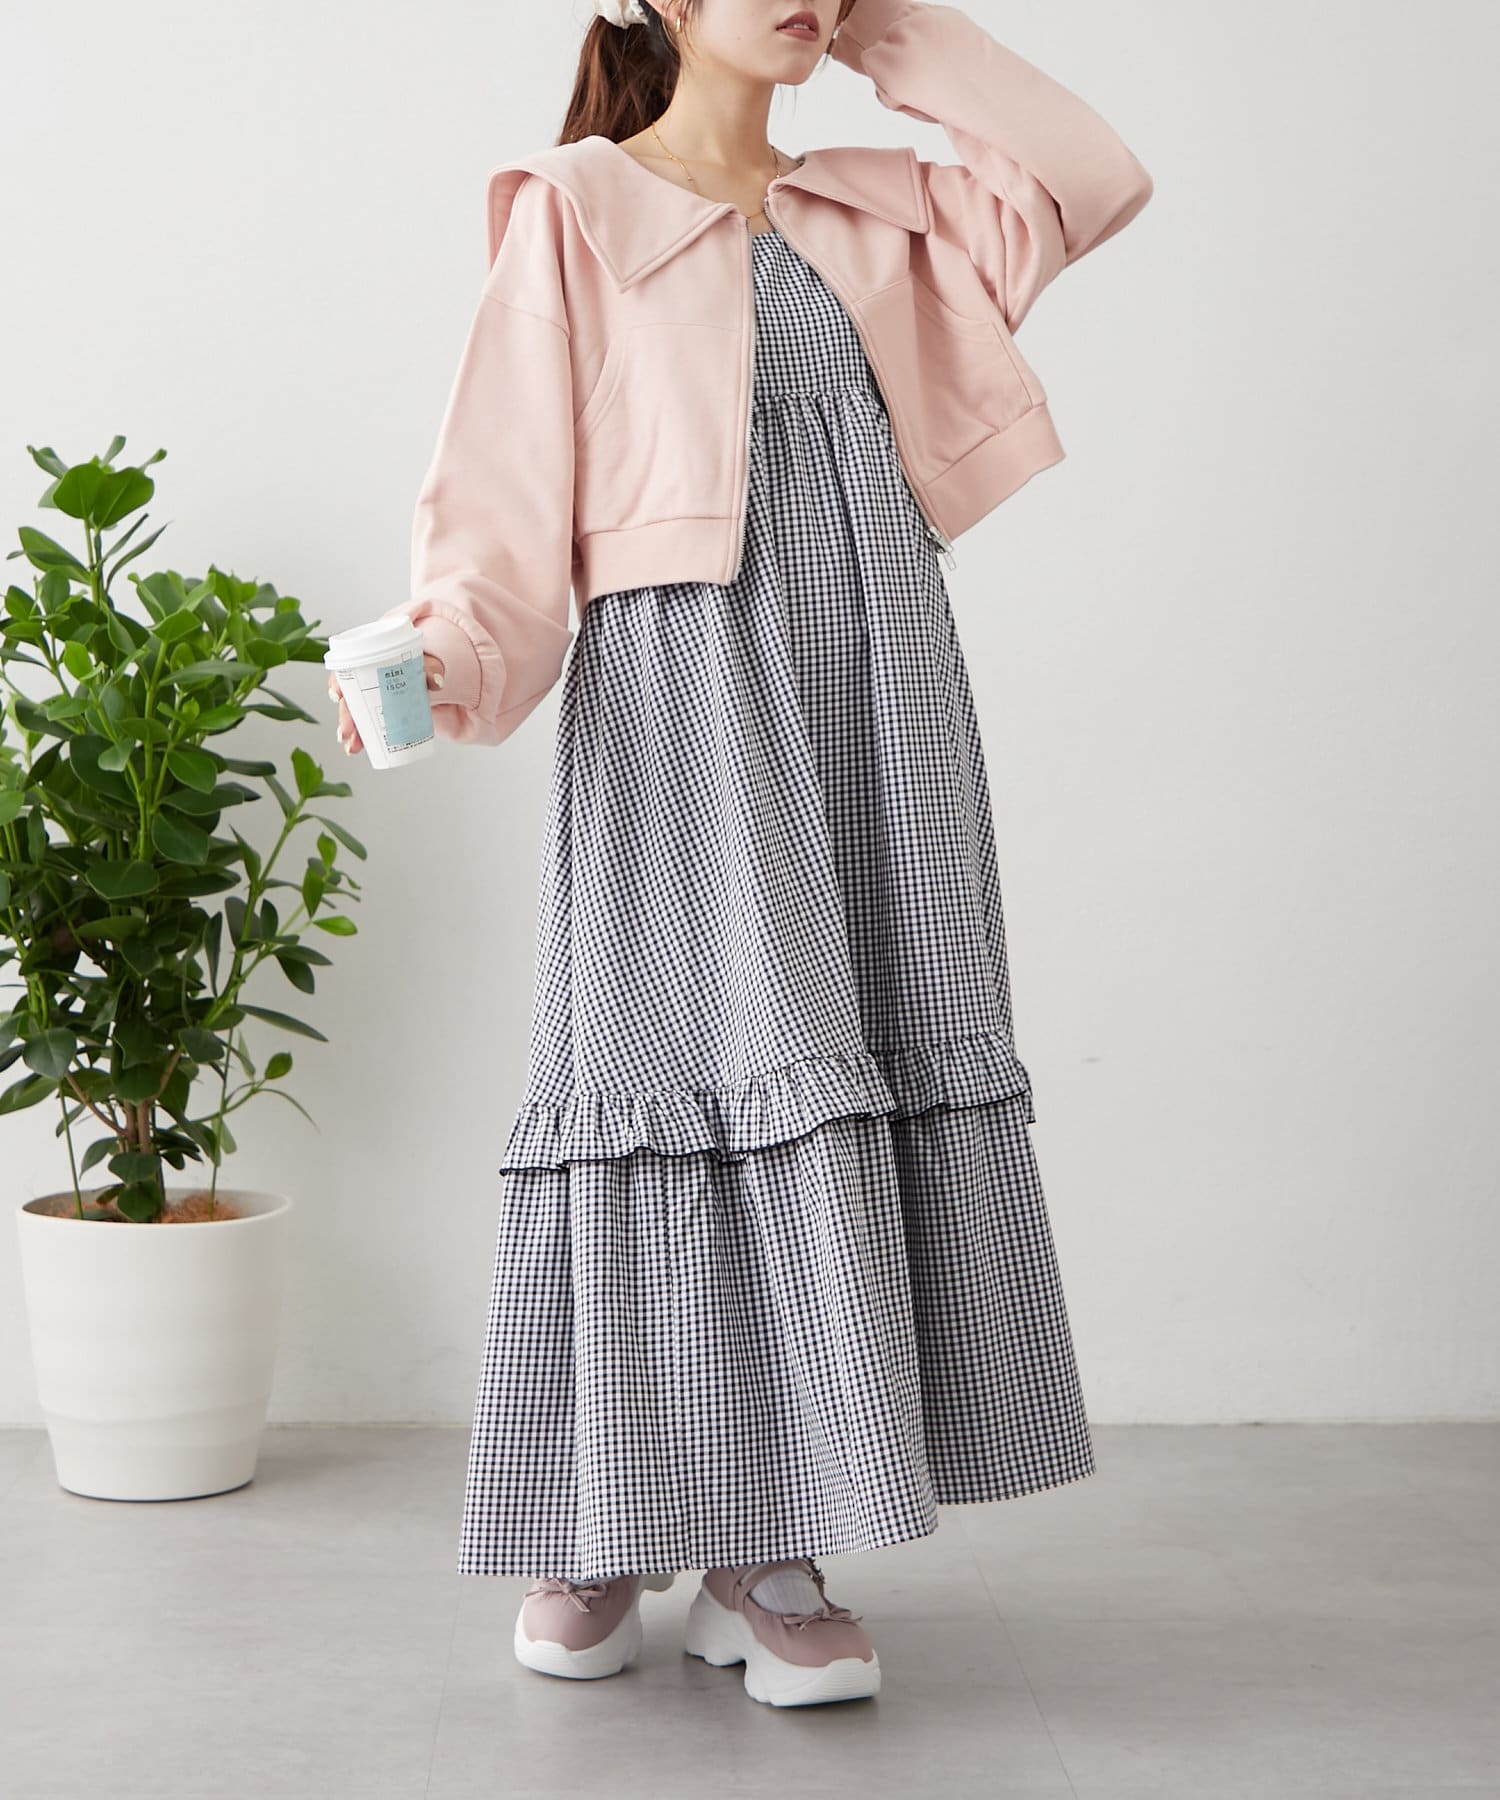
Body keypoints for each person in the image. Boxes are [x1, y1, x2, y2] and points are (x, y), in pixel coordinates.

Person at [328, 0, 1151, 1710]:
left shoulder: (873, 208)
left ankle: (770, 1548)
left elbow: (1088, 172)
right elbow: (497, 496)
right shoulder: (576, 208)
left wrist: (886, 32)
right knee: (664, 1075)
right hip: (684, 691)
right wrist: (445, 659)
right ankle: (604, 1527)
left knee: (838, 1068)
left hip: (882, 697)